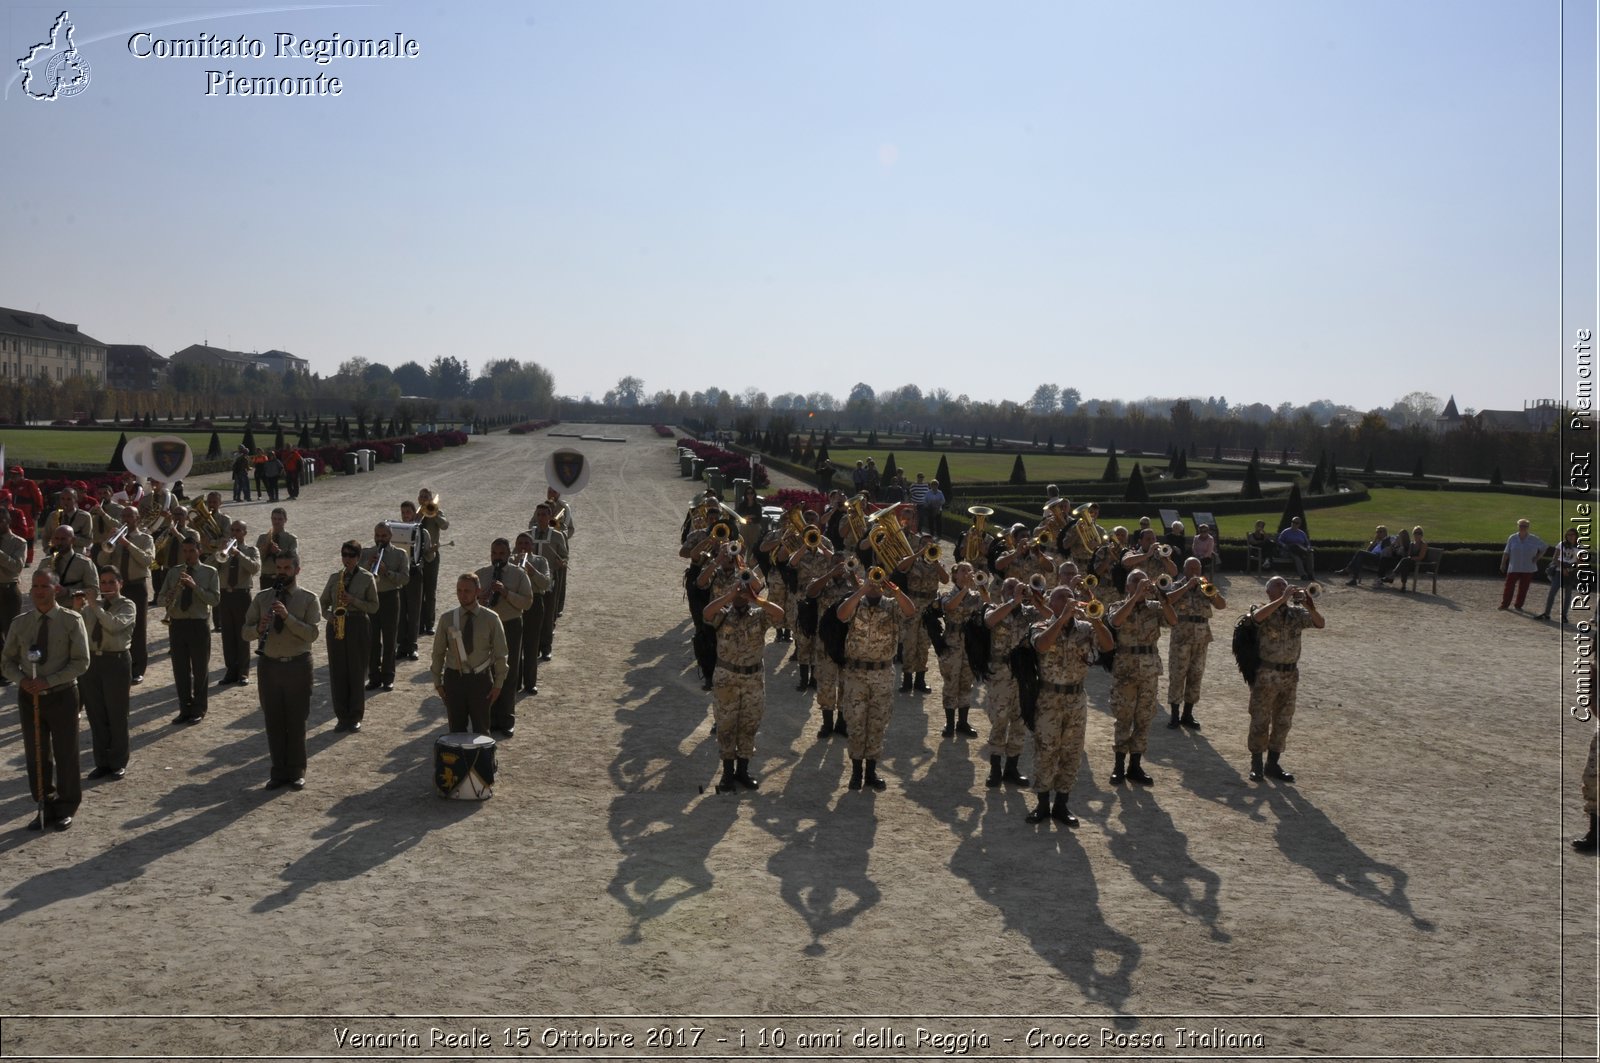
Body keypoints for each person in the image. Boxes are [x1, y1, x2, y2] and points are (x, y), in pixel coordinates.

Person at [2, 570, 90, 830]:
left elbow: (81, 662)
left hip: (61, 695)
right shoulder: (21, 623)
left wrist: (48, 681)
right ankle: (44, 805)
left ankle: (66, 806)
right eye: (36, 587)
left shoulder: (71, 620)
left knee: (66, 753)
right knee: (36, 753)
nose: (39, 591)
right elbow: (6, 661)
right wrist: (22, 681)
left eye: (45, 586)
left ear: (57, 589)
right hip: (29, 696)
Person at [1027, 586, 1115, 825]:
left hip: (1076, 699)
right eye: (1061, 597)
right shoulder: (1041, 625)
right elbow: (1042, 646)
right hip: (1048, 698)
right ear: (1051, 603)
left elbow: (1108, 646)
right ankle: (1042, 804)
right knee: (1046, 750)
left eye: (1070, 597)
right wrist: (1063, 618)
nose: (1068, 600)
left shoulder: (1085, 629)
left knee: (1072, 752)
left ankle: (1062, 805)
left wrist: (1096, 619)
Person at [836, 563, 917, 791]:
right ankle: (856, 772)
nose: (875, 582)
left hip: (882, 673)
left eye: (878, 578)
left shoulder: (892, 606)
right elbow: (841, 614)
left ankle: (871, 772)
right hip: (856, 673)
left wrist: (896, 591)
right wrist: (861, 590)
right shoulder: (855, 602)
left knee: (877, 723)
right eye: (871, 577)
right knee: (855, 722)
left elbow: (910, 611)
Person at [244, 554, 321, 790]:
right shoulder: (262, 598)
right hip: (270, 666)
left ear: (297, 570)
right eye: (279, 568)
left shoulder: (308, 599)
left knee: (297, 720)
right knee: (273, 721)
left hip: (298, 664)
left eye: (287, 568)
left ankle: (297, 771)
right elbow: (245, 633)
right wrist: (259, 627)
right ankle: (278, 772)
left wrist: (288, 618)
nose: (282, 572)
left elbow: (312, 635)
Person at [703, 573, 785, 792]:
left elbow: (780, 614)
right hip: (726, 678)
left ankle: (743, 771)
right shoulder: (722, 615)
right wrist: (729, 596)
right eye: (737, 590)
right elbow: (706, 613)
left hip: (753, 679)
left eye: (744, 590)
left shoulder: (759, 615)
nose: (741, 594)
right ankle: (727, 774)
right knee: (726, 725)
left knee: (749, 725)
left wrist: (757, 600)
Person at [1243, 576, 1325, 781]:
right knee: (1260, 718)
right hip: (1266, 674)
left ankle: (1273, 764)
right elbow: (1257, 618)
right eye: (1278, 585)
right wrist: (1282, 600)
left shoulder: (1295, 613)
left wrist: (1311, 607)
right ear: (1268, 591)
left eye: (1284, 584)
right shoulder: (1260, 608)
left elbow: (1320, 623)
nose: (1283, 587)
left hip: (1289, 675)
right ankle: (1256, 764)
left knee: (1283, 721)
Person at [1107, 569, 1177, 784]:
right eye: (1135, 582)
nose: (1140, 584)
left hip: (1149, 669)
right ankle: (1119, 765)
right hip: (1125, 669)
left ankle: (1135, 765)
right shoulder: (1117, 606)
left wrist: (1162, 598)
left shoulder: (1155, 608)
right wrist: (1136, 597)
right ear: (1128, 587)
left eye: (1142, 581)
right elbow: (1115, 622)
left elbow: (1173, 622)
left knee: (1144, 717)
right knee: (1124, 716)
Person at [431, 573, 509, 734]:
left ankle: (484, 760)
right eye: (459, 590)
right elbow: (438, 652)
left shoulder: (491, 619)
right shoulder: (447, 619)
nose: (462, 594)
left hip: (480, 680)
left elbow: (501, 654)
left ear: (478, 591)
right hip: (454, 679)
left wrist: (498, 684)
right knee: (456, 731)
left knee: (482, 730)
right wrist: (437, 682)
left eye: (467, 590)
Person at [79, 566, 136, 780]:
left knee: (117, 715)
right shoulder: (93, 606)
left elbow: (113, 626)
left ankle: (118, 762)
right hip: (93, 662)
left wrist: (93, 605)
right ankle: (101, 762)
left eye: (112, 582)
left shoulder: (127, 605)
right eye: (103, 582)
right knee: (96, 714)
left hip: (116, 661)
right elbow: (78, 630)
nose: (107, 586)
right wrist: (78, 609)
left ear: (120, 583)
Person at [477, 537, 533, 738]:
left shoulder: (519, 575)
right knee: (488, 672)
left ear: (509, 554)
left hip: (510, 625)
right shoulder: (481, 574)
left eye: (501, 554)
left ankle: (507, 719)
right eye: (494, 553)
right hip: (487, 626)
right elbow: (467, 599)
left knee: (508, 672)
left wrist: (506, 592)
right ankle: (490, 718)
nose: (497, 558)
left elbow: (527, 602)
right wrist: (479, 598)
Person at [321, 540, 379, 731]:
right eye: (344, 555)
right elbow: (322, 603)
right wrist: (329, 617)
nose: (347, 559)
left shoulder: (367, 577)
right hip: (337, 625)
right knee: (337, 672)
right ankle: (341, 716)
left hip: (357, 624)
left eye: (351, 555)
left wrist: (353, 600)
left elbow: (374, 606)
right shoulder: (334, 577)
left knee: (356, 671)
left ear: (358, 557)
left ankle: (354, 716)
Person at [982, 577, 1035, 789]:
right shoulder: (993, 608)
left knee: (1020, 720)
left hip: (1023, 674)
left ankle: (1012, 767)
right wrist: (1013, 602)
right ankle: (995, 768)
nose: (1015, 590)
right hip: (1001, 673)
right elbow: (990, 622)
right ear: (1002, 592)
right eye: (1010, 588)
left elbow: (1051, 617)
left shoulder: (1030, 612)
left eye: (1017, 587)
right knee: (1000, 719)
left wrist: (1035, 598)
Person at [1165, 558, 1227, 730]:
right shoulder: (1177, 585)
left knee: (1195, 675)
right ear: (1184, 569)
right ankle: (1175, 715)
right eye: (1191, 567)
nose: (1194, 571)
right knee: (1178, 675)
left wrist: (1211, 592)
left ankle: (1188, 714)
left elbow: (1222, 605)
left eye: (1197, 568)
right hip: (1181, 636)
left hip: (1201, 636)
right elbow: (1167, 601)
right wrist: (1186, 586)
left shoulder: (1206, 587)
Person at [164, 535, 221, 724]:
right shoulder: (174, 572)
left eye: (191, 551)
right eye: (185, 551)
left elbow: (214, 600)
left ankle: (199, 708)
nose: (188, 555)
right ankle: (184, 709)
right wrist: (169, 596)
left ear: (199, 551)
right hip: (177, 624)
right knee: (180, 670)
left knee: (200, 669)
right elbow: (160, 598)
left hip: (198, 624)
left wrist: (194, 587)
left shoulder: (210, 572)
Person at [937, 562, 987, 739]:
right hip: (952, 643)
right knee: (951, 682)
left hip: (970, 644)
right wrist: (965, 590)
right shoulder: (946, 593)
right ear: (955, 575)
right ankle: (949, 724)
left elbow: (988, 607)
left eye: (969, 570)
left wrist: (981, 588)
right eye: (963, 570)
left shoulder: (976, 595)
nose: (967, 573)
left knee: (967, 683)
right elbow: (950, 607)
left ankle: (963, 722)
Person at [896, 533, 947, 694]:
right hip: (912, 604)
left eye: (929, 543)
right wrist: (918, 554)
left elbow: (945, 580)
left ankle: (920, 679)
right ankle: (907, 679)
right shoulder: (912, 561)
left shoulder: (937, 562)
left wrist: (936, 561)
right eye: (923, 543)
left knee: (924, 644)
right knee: (909, 643)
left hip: (928, 607)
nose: (927, 546)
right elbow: (900, 567)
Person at [362, 522, 410, 692]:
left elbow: (404, 579)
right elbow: (359, 576)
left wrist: (387, 572)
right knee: (372, 639)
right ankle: (373, 677)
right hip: (372, 597)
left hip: (390, 597)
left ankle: (388, 677)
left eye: (383, 536)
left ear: (390, 537)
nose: (380, 539)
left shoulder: (400, 554)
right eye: (377, 536)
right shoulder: (367, 552)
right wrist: (369, 565)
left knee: (390, 639)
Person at [213, 520, 261, 686]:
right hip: (225, 595)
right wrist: (220, 552)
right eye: (232, 530)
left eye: (238, 530)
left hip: (242, 595)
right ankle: (231, 671)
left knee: (243, 634)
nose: (234, 533)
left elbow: (255, 568)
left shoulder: (251, 550)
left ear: (245, 532)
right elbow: (211, 568)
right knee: (228, 635)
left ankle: (243, 672)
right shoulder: (223, 550)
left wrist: (238, 554)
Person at [511, 532, 552, 696]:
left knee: (531, 644)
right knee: (515, 646)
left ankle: (530, 683)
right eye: (520, 543)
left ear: (532, 546)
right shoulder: (511, 561)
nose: (523, 546)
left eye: (526, 544)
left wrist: (532, 570)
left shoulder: (541, 561)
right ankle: (515, 682)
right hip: (515, 603)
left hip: (534, 602)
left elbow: (546, 583)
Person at [527, 502, 568, 660]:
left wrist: (561, 562)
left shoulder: (557, 536)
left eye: (544, 514)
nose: (541, 517)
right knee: (532, 615)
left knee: (548, 613)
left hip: (550, 577)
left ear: (550, 516)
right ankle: (533, 647)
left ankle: (546, 647)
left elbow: (564, 555)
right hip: (531, 580)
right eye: (539, 514)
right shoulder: (529, 535)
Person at [396, 501, 431, 662]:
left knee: (414, 611)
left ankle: (413, 645)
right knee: (401, 612)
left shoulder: (423, 532)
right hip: (399, 575)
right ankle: (401, 645)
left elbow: (429, 556)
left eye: (408, 512)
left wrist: (431, 551)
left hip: (415, 574)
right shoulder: (396, 530)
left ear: (413, 513)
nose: (405, 515)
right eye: (403, 512)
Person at [0, 500, 29, 680]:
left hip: (8, 591)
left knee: (11, 633)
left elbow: (17, 567)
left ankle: (10, 668)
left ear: (7, 521)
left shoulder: (19, 543)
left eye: (1, 520)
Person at [417, 487, 449, 635]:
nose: (423, 499)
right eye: (421, 496)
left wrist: (433, 513)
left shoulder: (436, 511)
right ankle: (418, 624)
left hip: (431, 557)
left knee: (430, 592)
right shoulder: (416, 512)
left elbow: (445, 525)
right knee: (417, 593)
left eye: (426, 496)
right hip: (416, 557)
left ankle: (429, 623)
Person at [1499, 519, 1549, 612]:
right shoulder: (1512, 538)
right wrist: (1503, 563)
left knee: (1523, 588)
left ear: (1528, 527)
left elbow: (1544, 547)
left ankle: (1518, 605)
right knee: (1509, 586)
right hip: (1514, 566)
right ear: (1518, 526)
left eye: (1525, 526)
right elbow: (1506, 551)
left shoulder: (1534, 539)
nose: (1522, 528)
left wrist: (1537, 557)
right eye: (1521, 526)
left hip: (1528, 567)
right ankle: (1505, 604)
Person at [38, 525, 96, 603]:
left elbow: (94, 591)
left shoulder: (85, 563)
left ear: (73, 540)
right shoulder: (45, 562)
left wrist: (69, 592)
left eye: (63, 539)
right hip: (50, 609)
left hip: (75, 609)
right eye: (56, 539)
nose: (59, 542)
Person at [1538, 528, 1584, 623]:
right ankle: (1547, 613)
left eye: (1572, 535)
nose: (1570, 537)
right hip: (1559, 570)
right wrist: (1563, 569)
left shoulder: (1580, 547)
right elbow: (1555, 558)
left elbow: (1579, 562)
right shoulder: (1561, 544)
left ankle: (1564, 615)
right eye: (1568, 535)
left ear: (1576, 536)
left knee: (1568, 595)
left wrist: (1569, 569)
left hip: (1571, 571)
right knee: (1552, 592)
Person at [256, 508, 298, 589]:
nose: (276, 521)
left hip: (284, 578)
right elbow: (257, 560)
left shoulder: (291, 539)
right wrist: (264, 549)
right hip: (266, 578)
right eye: (274, 519)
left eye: (280, 519)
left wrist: (279, 552)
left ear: (285, 520)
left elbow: (294, 559)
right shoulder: (263, 538)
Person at [1383, 526, 1429, 593]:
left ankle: (1392, 576)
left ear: (1421, 535)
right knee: (1404, 564)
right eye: (1415, 533)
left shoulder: (1423, 545)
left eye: (1419, 533)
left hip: (1420, 565)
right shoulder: (1412, 544)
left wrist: (1411, 558)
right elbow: (1408, 555)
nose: (1417, 534)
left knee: (1405, 561)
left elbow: (1421, 557)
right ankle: (1403, 586)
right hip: (1411, 563)